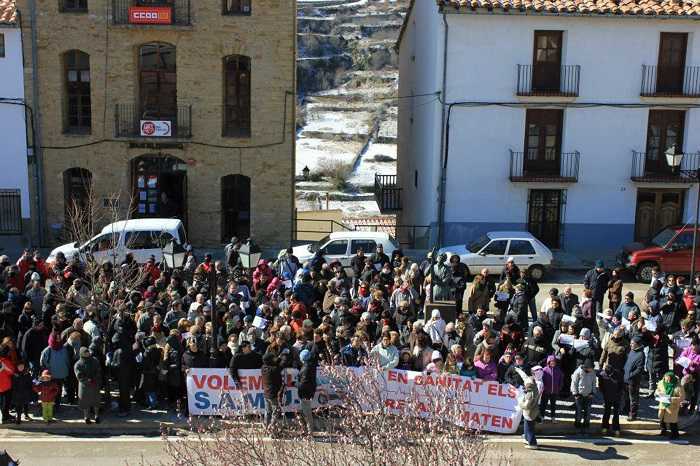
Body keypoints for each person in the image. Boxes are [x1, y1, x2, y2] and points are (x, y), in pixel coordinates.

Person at [74, 346, 102, 424]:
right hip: (84, 386)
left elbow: (98, 370)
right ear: (81, 354)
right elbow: (79, 375)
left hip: (95, 385)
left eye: (88, 352)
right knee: (85, 403)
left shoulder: (95, 361)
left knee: (96, 401)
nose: (87, 353)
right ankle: (87, 417)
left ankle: (97, 416)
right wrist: (87, 380)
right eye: (85, 352)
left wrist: (95, 379)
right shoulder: (78, 364)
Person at [655, 371, 684, 440]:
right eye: (666, 378)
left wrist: (671, 399)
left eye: (668, 379)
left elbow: (682, 397)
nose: (667, 380)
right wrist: (657, 393)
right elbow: (657, 390)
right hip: (663, 404)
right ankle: (663, 431)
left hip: (672, 406)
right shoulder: (661, 383)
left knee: (672, 421)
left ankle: (675, 434)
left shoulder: (678, 386)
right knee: (661, 417)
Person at [516, 368, 539, 449]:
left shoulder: (530, 394)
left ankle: (533, 443)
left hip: (530, 413)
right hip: (529, 412)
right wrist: (518, 370)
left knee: (530, 429)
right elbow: (525, 377)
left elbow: (526, 406)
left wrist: (519, 403)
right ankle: (526, 438)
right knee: (526, 426)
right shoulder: (533, 386)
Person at [571, 359, 596, 432]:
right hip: (579, 395)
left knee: (588, 410)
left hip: (589, 395)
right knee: (578, 410)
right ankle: (577, 423)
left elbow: (594, 383)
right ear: (586, 367)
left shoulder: (592, 372)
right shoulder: (578, 372)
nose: (591, 369)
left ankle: (586, 423)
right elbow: (574, 383)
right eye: (590, 368)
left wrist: (593, 393)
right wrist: (575, 393)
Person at [623, 336, 645, 421]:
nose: (630, 345)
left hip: (633, 381)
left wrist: (630, 375)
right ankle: (626, 410)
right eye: (631, 343)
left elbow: (639, 369)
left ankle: (633, 414)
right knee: (626, 396)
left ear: (637, 344)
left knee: (633, 398)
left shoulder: (641, 355)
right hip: (626, 378)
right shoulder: (631, 351)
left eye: (632, 343)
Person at [261, 351, 284, 431]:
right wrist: (281, 358)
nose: (275, 359)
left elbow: (275, 364)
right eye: (273, 358)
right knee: (276, 410)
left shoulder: (263, 368)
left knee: (268, 411)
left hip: (266, 393)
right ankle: (272, 427)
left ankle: (266, 427)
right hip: (273, 394)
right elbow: (280, 366)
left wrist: (277, 358)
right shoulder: (274, 370)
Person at [540, 355, 563, 422]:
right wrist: (543, 388)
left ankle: (553, 418)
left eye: (554, 361)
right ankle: (542, 417)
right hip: (546, 391)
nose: (553, 363)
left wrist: (559, 387)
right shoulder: (544, 370)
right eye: (551, 361)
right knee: (543, 405)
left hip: (554, 391)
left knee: (553, 405)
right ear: (548, 362)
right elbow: (541, 380)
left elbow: (561, 379)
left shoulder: (558, 370)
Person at [0, 345, 15, 423]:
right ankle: (5, 418)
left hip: (1, 386)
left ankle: (5, 415)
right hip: (6, 385)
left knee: (1, 402)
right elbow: (11, 371)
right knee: (6, 402)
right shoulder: (5, 361)